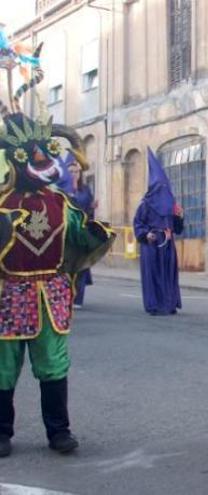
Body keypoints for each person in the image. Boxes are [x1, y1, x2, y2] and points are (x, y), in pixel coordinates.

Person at [0, 43, 115, 457]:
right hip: (8, 297)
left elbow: (78, 236)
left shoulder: (60, 204)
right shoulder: (2, 206)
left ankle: (58, 431)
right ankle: (1, 432)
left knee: (53, 364)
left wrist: (97, 234)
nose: (40, 159)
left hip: (50, 296)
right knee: (3, 368)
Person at [134, 148, 184, 316]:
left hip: (168, 245)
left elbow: (178, 228)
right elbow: (138, 223)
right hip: (152, 244)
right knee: (153, 274)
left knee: (168, 275)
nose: (163, 191)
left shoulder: (172, 205)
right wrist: (145, 234)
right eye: (159, 187)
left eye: (165, 187)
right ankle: (154, 305)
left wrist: (179, 217)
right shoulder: (145, 205)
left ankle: (169, 304)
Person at [67, 163, 96, 309]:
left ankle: (78, 297)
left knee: (82, 264)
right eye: (71, 171)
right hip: (66, 232)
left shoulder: (85, 190)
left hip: (82, 230)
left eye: (77, 171)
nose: (74, 174)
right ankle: (66, 295)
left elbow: (89, 210)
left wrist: (91, 209)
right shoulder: (61, 189)